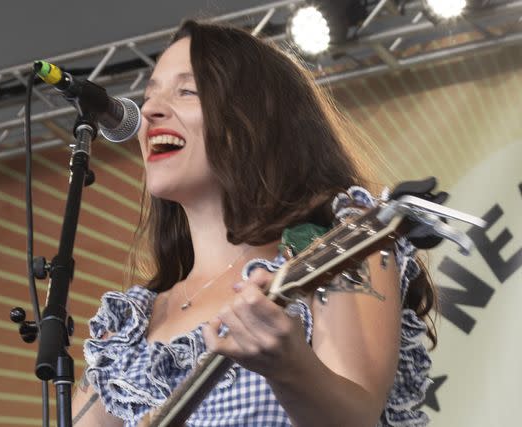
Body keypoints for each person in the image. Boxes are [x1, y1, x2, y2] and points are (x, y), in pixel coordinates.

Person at [72, 20, 436, 427]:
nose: (150, 111)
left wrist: (292, 368)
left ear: (255, 117)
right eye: (149, 94)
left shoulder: (333, 247)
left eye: (187, 91)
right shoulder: (132, 327)